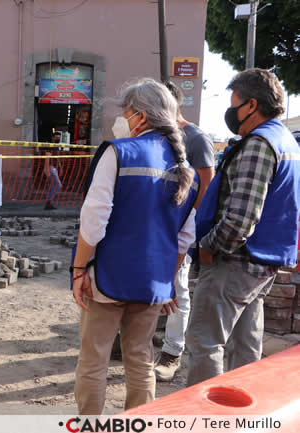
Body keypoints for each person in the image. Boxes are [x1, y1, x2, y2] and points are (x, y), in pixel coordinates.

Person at [72, 78, 198, 414]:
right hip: (153, 284)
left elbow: (93, 222)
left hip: (108, 278)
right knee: (141, 359)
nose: (121, 119)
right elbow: (184, 239)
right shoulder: (187, 171)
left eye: (125, 111)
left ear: (140, 116)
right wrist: (168, 282)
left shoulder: (118, 152)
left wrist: (78, 269)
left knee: (94, 360)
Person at [187, 68, 300, 386]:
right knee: (245, 347)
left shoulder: (258, 145)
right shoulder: (286, 141)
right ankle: (240, 416)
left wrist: (207, 246)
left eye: (234, 102)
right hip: (263, 262)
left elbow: (239, 221)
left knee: (205, 344)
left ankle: (204, 418)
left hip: (235, 262)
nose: (230, 110)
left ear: (251, 105)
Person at [153, 82, 216, 382]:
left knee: (177, 286)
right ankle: (144, 337)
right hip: (156, 225)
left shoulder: (196, 139)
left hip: (182, 228)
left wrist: (189, 225)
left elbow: (207, 186)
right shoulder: (160, 135)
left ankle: (173, 351)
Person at [44, 131, 63, 210]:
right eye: (57, 137)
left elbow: (57, 158)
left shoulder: (56, 146)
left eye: (59, 137)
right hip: (50, 168)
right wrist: (47, 169)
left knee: (52, 186)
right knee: (58, 185)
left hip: (54, 168)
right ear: (53, 137)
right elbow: (47, 158)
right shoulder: (50, 146)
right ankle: (48, 202)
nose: (58, 139)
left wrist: (60, 167)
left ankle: (49, 203)